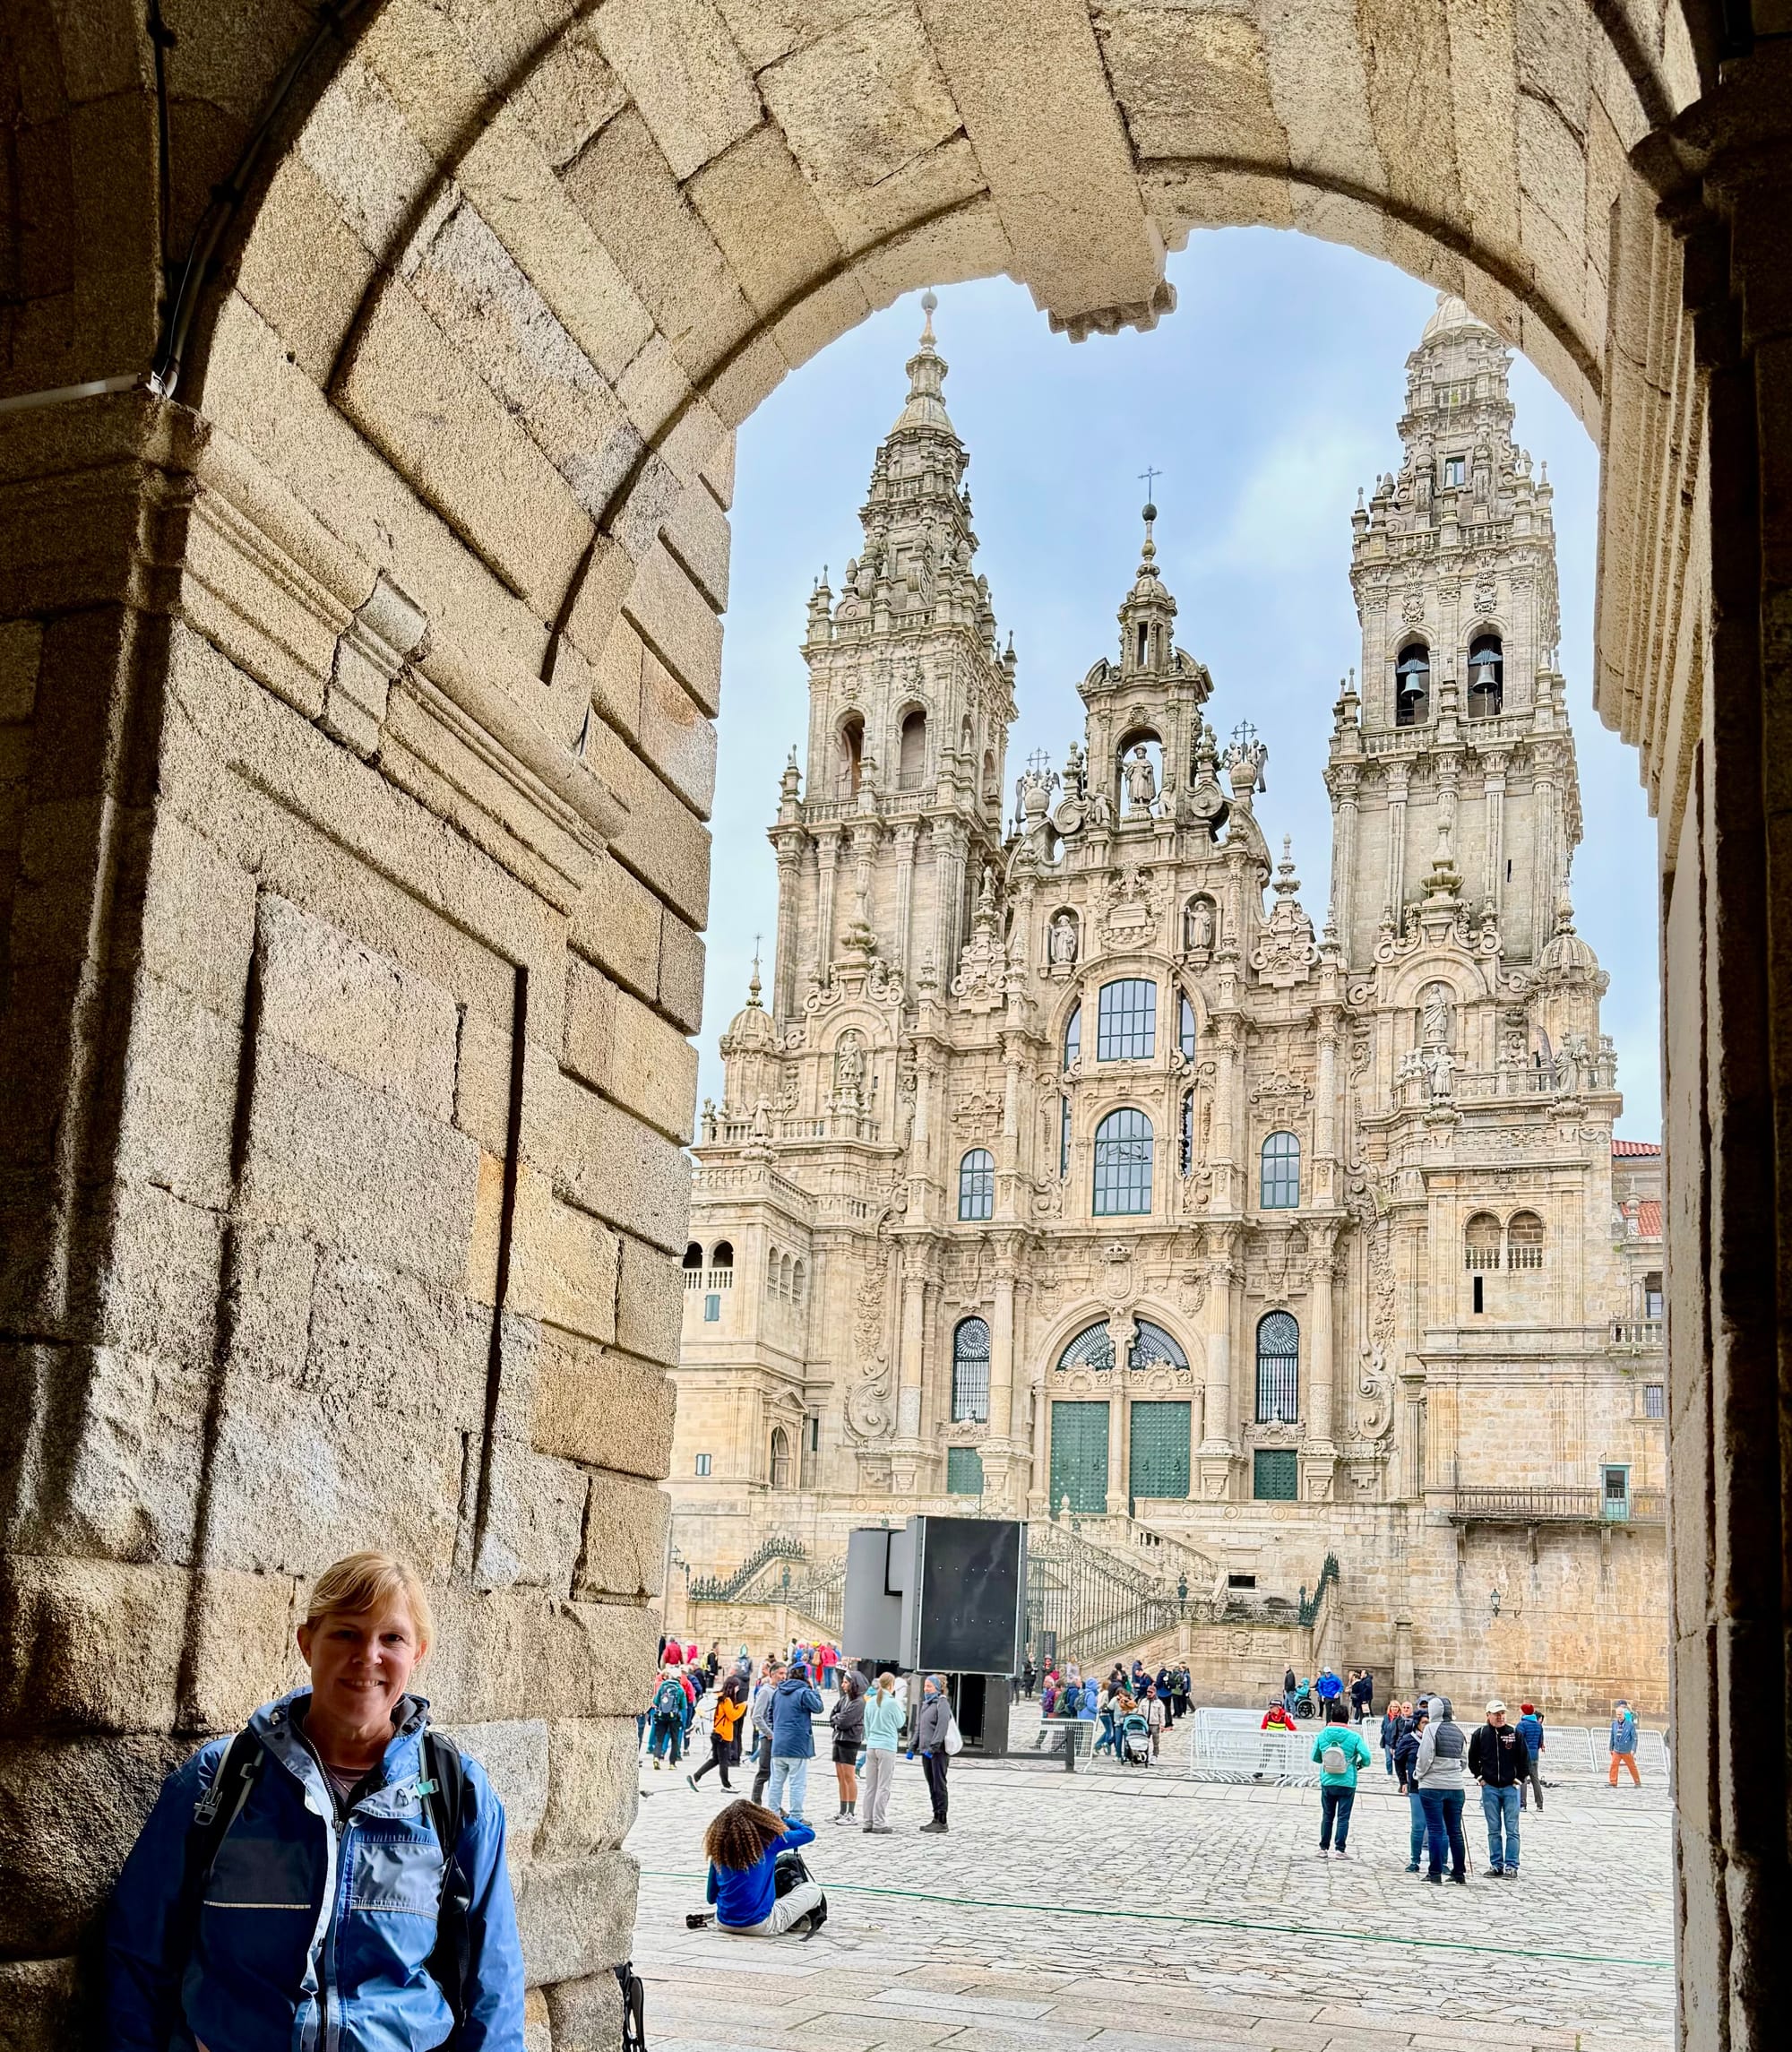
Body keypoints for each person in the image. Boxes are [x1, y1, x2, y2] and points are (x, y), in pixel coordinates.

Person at [107, 1549, 525, 2049]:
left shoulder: (458, 1791)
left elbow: (492, 1980)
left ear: (418, 1653)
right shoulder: (218, 1780)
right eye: (347, 1632)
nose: (368, 1656)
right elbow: (137, 1954)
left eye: (391, 1638)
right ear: (307, 1643)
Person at [702, 1799, 825, 1937]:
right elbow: (808, 1833)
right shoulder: (770, 1842)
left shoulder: (719, 1853)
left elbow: (711, 1898)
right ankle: (790, 1920)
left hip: (723, 1923)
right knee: (812, 1890)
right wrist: (782, 1819)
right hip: (760, 1925)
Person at [1468, 1698, 1529, 1877]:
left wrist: (1518, 1780)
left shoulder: (1515, 1733)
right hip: (1490, 1788)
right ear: (1488, 1716)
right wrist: (1480, 1778)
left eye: (1502, 1713)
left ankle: (1511, 1866)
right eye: (1496, 1714)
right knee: (1493, 1829)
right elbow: (1473, 1760)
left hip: (1510, 1788)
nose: (1500, 1717)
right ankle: (1496, 1865)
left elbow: (1524, 1760)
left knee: (1512, 1829)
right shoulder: (1480, 1735)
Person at [1413, 1694, 1469, 1884]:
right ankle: (1459, 1873)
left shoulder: (1431, 1729)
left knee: (1436, 1829)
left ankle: (1435, 1872)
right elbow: (1464, 1761)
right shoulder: (1458, 1731)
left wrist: (1419, 1774)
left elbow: (1425, 1756)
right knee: (1455, 1831)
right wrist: (1452, 1773)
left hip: (1432, 1786)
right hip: (1455, 1786)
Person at [1311, 1700, 1374, 1858]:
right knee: (1343, 1817)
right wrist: (1358, 1764)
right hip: (1347, 1780)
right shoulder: (1354, 1736)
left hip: (1327, 1779)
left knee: (1327, 1815)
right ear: (1347, 1718)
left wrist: (1326, 1762)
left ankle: (1323, 1848)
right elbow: (1366, 1757)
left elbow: (1315, 1757)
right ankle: (1340, 1849)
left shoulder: (1323, 1734)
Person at [767, 1662, 823, 1824]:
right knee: (797, 1783)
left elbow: (771, 1715)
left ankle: (773, 1815)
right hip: (797, 1744)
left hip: (779, 1744)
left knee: (776, 1783)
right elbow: (819, 1708)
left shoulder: (778, 1691)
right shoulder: (804, 1692)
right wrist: (814, 1690)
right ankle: (796, 1816)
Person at [860, 1671, 904, 1832]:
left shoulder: (870, 1701)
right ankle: (879, 1822)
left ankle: (867, 1821)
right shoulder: (892, 1703)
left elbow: (866, 1725)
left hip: (871, 1746)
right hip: (887, 1746)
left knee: (870, 1786)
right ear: (891, 1685)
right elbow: (900, 1723)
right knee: (883, 1786)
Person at [691, 1671, 749, 1791]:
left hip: (716, 1732)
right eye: (737, 1687)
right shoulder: (726, 1700)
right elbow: (732, 1716)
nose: (738, 1690)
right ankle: (726, 1785)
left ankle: (696, 1776)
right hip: (723, 1735)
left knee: (716, 1759)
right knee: (724, 1761)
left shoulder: (719, 1696)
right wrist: (742, 1707)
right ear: (733, 1687)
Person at [914, 1674, 952, 1832]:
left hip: (938, 1752)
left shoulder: (941, 1703)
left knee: (939, 1784)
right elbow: (920, 1727)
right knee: (932, 1785)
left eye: (929, 1686)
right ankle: (935, 1816)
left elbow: (941, 1727)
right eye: (925, 1686)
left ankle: (942, 1820)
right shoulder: (926, 1704)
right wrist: (913, 1746)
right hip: (926, 1751)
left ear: (937, 1688)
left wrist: (934, 1747)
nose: (926, 1689)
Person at [1394, 1703, 1429, 1872]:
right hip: (1416, 1787)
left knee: (1438, 1825)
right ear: (1417, 1724)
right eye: (1424, 1723)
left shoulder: (1435, 1738)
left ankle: (1440, 1860)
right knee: (1418, 1825)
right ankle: (1415, 1860)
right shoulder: (1409, 1739)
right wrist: (1403, 1782)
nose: (1427, 1726)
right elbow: (1398, 1760)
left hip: (1434, 1786)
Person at [829, 1670, 865, 1824]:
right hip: (838, 1739)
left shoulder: (859, 1702)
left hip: (850, 1740)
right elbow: (833, 1715)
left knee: (849, 1776)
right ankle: (842, 1810)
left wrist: (837, 1719)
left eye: (846, 1682)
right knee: (841, 1777)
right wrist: (837, 1719)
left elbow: (845, 1721)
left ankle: (851, 1812)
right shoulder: (844, 1699)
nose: (843, 1685)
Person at [748, 1660, 783, 1806]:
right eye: (781, 1673)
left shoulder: (779, 1691)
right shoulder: (765, 1691)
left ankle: (774, 1805)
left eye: (785, 1674)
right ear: (772, 1674)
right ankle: (756, 1803)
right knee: (764, 1772)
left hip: (778, 1737)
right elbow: (757, 1716)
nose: (783, 1676)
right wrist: (769, 1733)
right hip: (768, 1737)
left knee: (776, 1775)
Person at [649, 1664, 689, 1768]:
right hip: (674, 1718)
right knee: (675, 1740)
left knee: (659, 1739)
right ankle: (672, 1763)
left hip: (662, 1716)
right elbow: (683, 1706)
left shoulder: (663, 1686)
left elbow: (656, 1701)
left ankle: (656, 1757)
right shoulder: (680, 1689)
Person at [1517, 1702, 1546, 1811]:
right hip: (1534, 1755)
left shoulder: (1522, 1725)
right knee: (1535, 1779)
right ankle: (1540, 1804)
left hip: (1524, 1755)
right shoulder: (1538, 1725)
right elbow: (1540, 1741)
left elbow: (1518, 1741)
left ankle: (1522, 1804)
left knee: (1523, 1779)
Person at [1608, 1700, 1641, 1786]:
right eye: (1617, 1715)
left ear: (1624, 1714)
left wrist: (1633, 1749)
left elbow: (1634, 1738)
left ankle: (1637, 1782)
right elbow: (1612, 1736)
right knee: (1613, 1765)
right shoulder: (1614, 1724)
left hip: (1626, 1749)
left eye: (1620, 1715)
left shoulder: (1630, 1724)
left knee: (1632, 1766)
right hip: (1617, 1748)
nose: (1618, 1716)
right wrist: (1611, 1748)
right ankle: (1613, 1782)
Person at [1144, 1683, 1167, 1758]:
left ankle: (1155, 1755)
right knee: (1144, 1740)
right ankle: (1145, 1754)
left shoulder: (1159, 1703)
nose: (1149, 1694)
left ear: (1154, 1693)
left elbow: (1162, 1714)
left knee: (1156, 1742)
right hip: (1145, 1724)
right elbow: (1140, 1712)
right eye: (1148, 1692)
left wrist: (1162, 1725)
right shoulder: (1143, 1701)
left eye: (1151, 1692)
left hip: (1155, 1725)